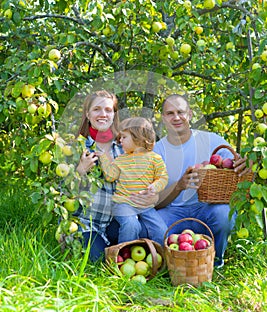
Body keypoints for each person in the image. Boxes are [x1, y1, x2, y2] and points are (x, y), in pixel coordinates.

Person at [151, 94, 250, 268]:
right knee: (152, 226)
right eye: (170, 113)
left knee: (223, 214)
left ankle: (215, 261)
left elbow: (235, 166)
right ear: (164, 118)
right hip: (172, 212)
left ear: (189, 114)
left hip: (206, 208)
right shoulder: (156, 152)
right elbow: (155, 203)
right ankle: (172, 266)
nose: (176, 117)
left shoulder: (210, 140)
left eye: (180, 112)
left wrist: (243, 164)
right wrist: (178, 187)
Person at [75, 90, 158, 261]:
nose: (103, 114)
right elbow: (60, 195)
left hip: (115, 221)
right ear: (87, 114)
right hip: (87, 224)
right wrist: (79, 172)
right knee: (98, 262)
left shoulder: (123, 147)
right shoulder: (77, 147)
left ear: (114, 114)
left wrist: (149, 194)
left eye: (108, 110)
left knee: (144, 232)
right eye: (97, 109)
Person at [97, 117, 168, 246]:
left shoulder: (155, 158)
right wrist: (103, 157)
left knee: (161, 229)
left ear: (138, 138)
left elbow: (162, 177)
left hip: (144, 205)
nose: (120, 140)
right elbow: (111, 176)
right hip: (123, 203)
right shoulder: (121, 159)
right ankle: (124, 255)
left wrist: (155, 187)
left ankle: (160, 258)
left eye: (124, 137)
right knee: (131, 225)